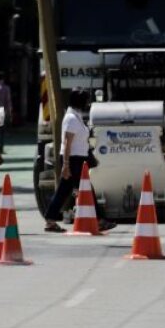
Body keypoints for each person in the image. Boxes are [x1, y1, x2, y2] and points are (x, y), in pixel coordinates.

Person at [43, 89, 113, 233]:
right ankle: (99, 220)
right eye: (85, 100)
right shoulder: (71, 118)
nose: (87, 103)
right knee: (82, 189)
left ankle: (50, 220)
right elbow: (68, 142)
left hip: (78, 159)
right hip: (73, 160)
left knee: (65, 190)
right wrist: (66, 165)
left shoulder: (76, 117)